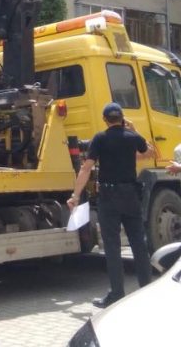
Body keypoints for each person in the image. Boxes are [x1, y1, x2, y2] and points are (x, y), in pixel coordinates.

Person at [67, 102, 153, 308]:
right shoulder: (132, 138)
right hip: (130, 195)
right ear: (122, 119)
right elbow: (150, 153)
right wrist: (134, 130)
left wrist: (75, 195)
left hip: (109, 197)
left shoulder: (100, 138)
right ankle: (147, 291)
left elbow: (86, 168)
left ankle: (116, 294)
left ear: (105, 120)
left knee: (112, 247)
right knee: (139, 245)